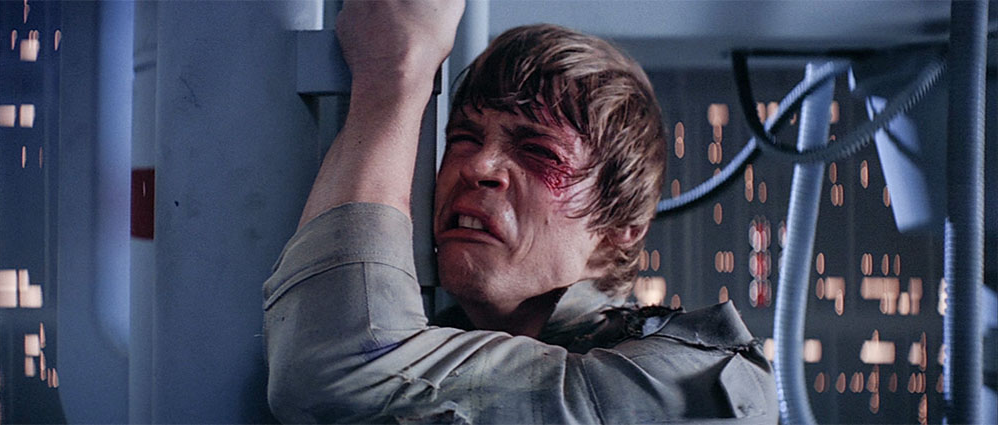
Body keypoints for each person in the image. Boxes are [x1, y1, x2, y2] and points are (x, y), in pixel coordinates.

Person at [264, 1, 777, 423]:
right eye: (464, 138)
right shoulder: (423, 330)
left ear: (621, 224)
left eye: (538, 152)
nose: (478, 166)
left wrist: (396, 72)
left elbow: (335, 370)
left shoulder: (688, 383)